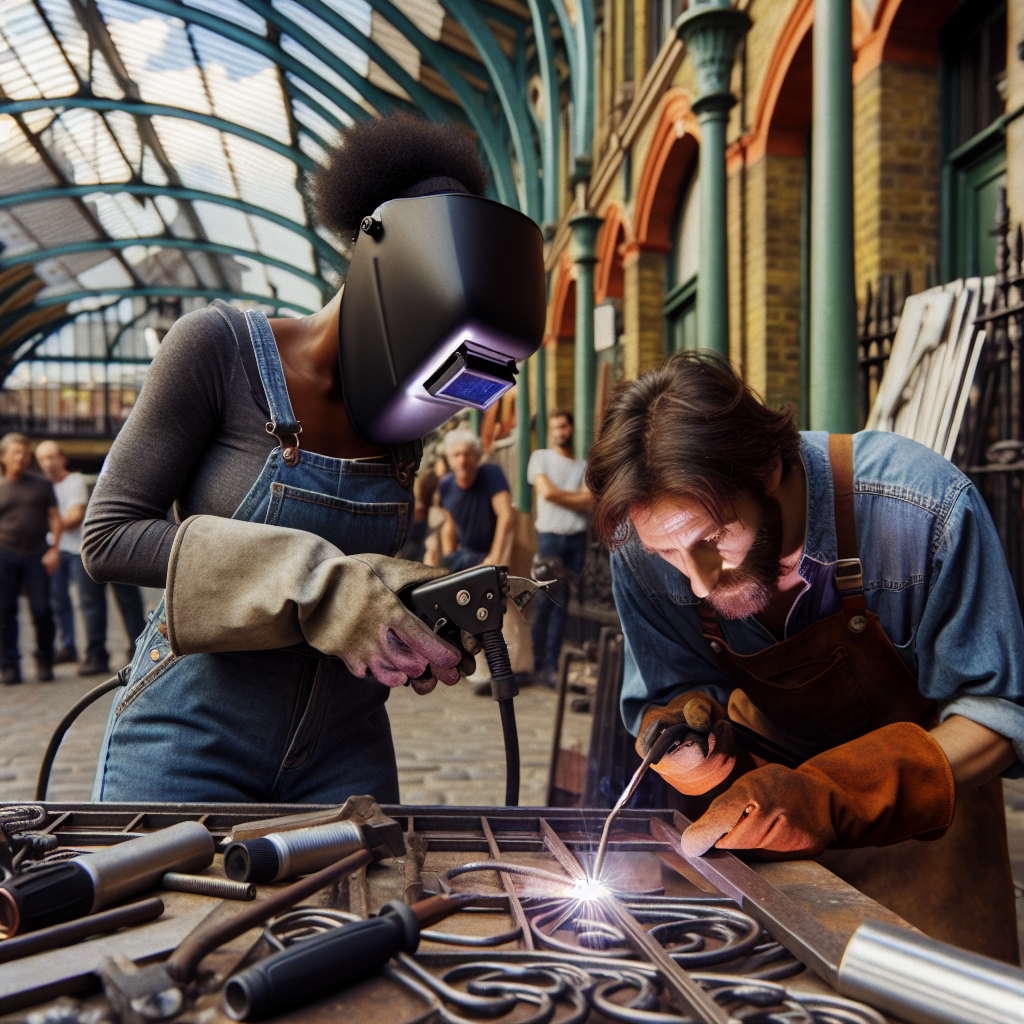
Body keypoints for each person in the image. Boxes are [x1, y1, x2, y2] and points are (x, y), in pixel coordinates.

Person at [80, 115, 544, 803]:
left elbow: (358, 581)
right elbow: (108, 538)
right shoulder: (217, 348)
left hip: (345, 749)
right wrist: (316, 581)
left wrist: (396, 601)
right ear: (379, 271)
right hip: (191, 742)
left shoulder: (402, 423)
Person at [586, 351, 1022, 963]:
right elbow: (671, 688)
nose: (698, 583)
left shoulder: (920, 511)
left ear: (767, 470)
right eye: (669, 554)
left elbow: (998, 714)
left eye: (712, 540)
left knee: (937, 995)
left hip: (927, 827)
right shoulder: (642, 548)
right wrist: (690, 749)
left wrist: (831, 792)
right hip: (759, 820)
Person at [35, 440, 146, 676]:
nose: (47, 463)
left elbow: (75, 516)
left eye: (51, 457)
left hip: (111, 545)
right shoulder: (46, 487)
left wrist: (47, 524)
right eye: (42, 459)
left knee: (127, 600)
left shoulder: (79, 481)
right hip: (81, 550)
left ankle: (140, 651)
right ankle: (96, 655)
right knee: (89, 603)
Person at [526, 410, 593, 685]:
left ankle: (550, 667)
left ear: (571, 428)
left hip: (576, 539)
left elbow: (590, 500)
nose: (559, 432)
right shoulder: (540, 457)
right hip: (550, 537)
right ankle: (533, 662)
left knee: (563, 604)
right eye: (554, 427)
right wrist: (576, 497)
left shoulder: (584, 466)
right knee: (546, 601)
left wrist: (566, 497)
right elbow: (548, 493)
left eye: (563, 426)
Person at [0, 434, 60, 684]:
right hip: (5, 554)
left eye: (25, 452)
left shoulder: (42, 485)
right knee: (5, 611)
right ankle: (10, 665)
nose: (21, 457)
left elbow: (55, 517)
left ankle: (45, 659)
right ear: (3, 457)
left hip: (37, 554)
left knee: (42, 610)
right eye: (16, 452)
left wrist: (54, 549)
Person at [437, 429, 515, 571]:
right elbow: (448, 524)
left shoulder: (490, 473)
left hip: (488, 554)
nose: (462, 460)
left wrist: (494, 560)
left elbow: (506, 514)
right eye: (456, 455)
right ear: (449, 459)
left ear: (477, 456)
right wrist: (449, 557)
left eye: (467, 453)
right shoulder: (445, 484)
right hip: (463, 554)